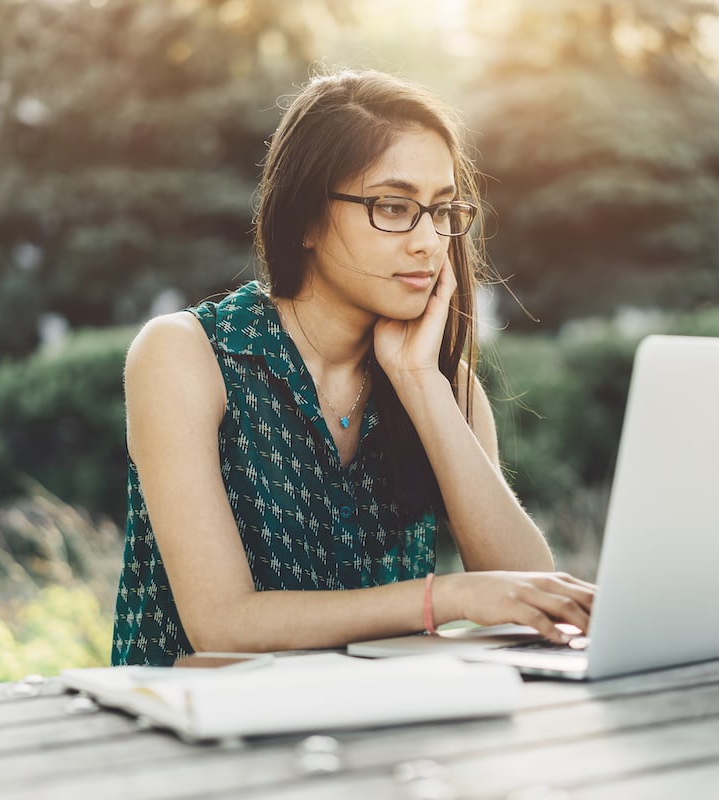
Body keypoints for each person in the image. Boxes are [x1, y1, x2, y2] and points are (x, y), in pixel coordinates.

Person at [112, 69, 595, 666]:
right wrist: (447, 598)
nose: (429, 241)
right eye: (394, 207)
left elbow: (529, 590)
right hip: (193, 737)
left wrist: (423, 385)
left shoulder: (443, 384)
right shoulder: (188, 355)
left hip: (379, 732)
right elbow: (222, 623)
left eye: (442, 210)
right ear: (307, 219)